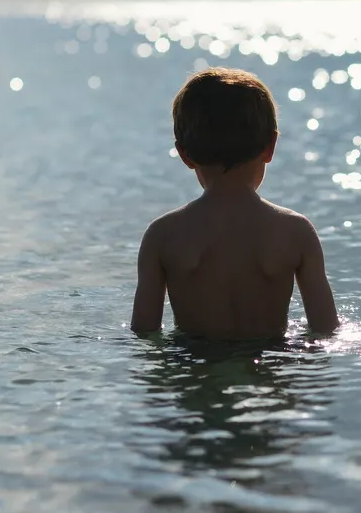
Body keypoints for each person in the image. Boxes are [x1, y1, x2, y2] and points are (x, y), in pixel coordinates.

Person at [130, 67, 339, 338]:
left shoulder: (163, 235)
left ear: (184, 154)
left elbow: (144, 332)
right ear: (271, 146)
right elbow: (326, 329)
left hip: (194, 367)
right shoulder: (296, 233)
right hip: (270, 361)